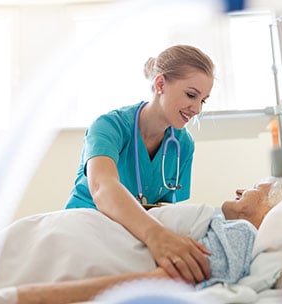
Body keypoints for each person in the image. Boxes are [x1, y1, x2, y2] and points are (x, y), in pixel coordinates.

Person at [0, 177, 282, 304]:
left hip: (56, 252)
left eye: (256, 187)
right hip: (55, 236)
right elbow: (103, 184)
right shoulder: (222, 224)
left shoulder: (239, 235)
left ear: (274, 207)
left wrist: (17, 297)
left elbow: (146, 284)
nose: (241, 190)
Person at [64, 44, 215, 284]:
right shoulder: (109, 126)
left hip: (134, 238)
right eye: (191, 95)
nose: (196, 109)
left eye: (203, 101)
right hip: (86, 229)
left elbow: (167, 209)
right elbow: (103, 187)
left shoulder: (183, 144)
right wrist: (156, 236)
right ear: (160, 84)